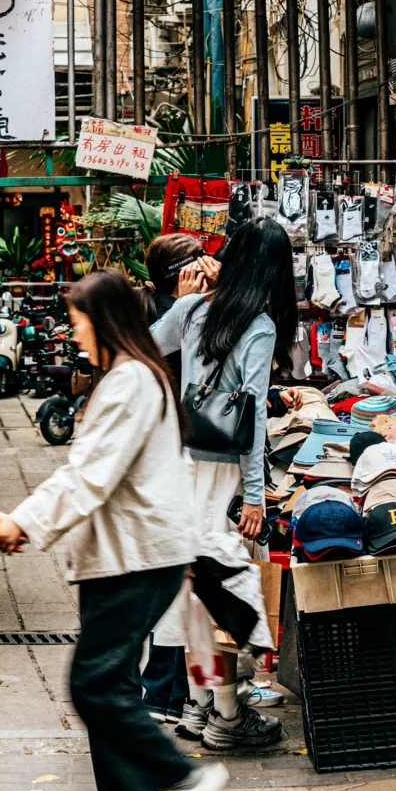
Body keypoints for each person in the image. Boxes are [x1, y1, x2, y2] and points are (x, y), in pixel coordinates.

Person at [0, 269, 228, 791]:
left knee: (94, 685)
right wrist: (24, 522)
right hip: (118, 556)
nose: (73, 335)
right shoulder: (125, 378)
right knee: (111, 682)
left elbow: (89, 477)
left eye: (78, 321)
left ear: (106, 320)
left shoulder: (131, 383)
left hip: (137, 560)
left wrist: (25, 522)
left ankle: (187, 778)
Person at [151, 218, 296, 753]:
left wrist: (188, 300)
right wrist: (256, 494)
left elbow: (146, 345)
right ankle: (229, 716)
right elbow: (253, 416)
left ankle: (196, 705)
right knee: (228, 590)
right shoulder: (258, 325)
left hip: (185, 462)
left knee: (196, 592)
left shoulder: (193, 310)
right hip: (226, 475)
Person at [137, 233, 205, 725]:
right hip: (172, 457)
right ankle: (164, 692)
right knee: (179, 580)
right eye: (199, 257)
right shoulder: (172, 313)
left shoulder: (190, 305)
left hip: (180, 454)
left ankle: (173, 692)